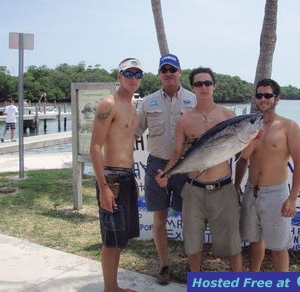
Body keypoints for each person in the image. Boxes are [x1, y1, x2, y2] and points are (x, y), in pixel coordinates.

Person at [155, 67, 242, 272]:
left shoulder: (228, 115)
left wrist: (254, 139)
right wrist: (165, 173)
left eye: (208, 83)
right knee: (193, 244)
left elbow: (244, 154)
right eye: (199, 84)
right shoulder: (185, 120)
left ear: (214, 85)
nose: (204, 87)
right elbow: (177, 154)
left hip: (223, 188)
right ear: (192, 88)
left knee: (233, 244)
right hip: (193, 189)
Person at [135, 54, 196, 284]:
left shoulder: (193, 100)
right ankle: (164, 265)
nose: (169, 73)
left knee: (189, 218)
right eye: (164, 69)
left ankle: (193, 264)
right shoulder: (148, 102)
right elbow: (133, 132)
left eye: (173, 69)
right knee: (159, 219)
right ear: (159, 74)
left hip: (186, 165)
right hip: (157, 166)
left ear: (180, 72)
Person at [234, 78, 300, 272]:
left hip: (276, 192)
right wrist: (235, 187)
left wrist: (292, 198)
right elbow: (242, 160)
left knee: (279, 246)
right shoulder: (250, 125)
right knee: (254, 241)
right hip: (251, 189)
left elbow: (299, 164)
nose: (263, 99)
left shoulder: (288, 126)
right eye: (259, 95)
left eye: (268, 95)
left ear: (277, 99)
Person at [90, 58, 143, 292]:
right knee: (111, 240)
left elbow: (126, 148)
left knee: (120, 239)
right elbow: (94, 147)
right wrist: (103, 187)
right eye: (128, 73)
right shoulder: (108, 105)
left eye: (137, 74)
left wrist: (133, 179)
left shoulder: (132, 108)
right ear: (119, 76)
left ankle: (114, 286)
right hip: (111, 178)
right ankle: (109, 289)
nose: (133, 78)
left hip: (126, 177)